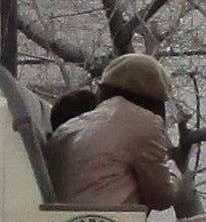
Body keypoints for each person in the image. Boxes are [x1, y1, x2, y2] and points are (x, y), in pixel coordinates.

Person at [46, 54, 183, 211]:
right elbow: (162, 198)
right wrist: (174, 171)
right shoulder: (144, 122)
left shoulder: (69, 128)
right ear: (155, 102)